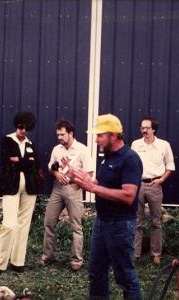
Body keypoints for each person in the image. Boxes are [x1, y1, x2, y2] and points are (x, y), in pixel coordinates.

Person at [64, 114, 143, 299]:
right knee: (97, 272)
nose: (96, 139)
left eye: (100, 135)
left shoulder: (130, 159)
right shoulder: (106, 157)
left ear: (112, 136)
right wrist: (75, 174)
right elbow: (97, 183)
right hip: (102, 223)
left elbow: (129, 196)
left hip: (120, 225)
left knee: (124, 275)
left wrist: (93, 187)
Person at [36, 118, 94, 271]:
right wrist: (55, 173)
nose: (59, 138)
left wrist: (77, 184)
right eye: (58, 135)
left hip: (73, 189)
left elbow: (89, 172)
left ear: (71, 134)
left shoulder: (82, 149)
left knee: (76, 225)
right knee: (49, 221)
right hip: (57, 188)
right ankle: (48, 256)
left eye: (62, 135)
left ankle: (76, 260)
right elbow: (50, 167)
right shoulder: (57, 149)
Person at [0, 111, 41, 278]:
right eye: (20, 127)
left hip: (29, 187)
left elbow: (35, 163)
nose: (23, 131)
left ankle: (17, 261)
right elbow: (5, 159)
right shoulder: (7, 140)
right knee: (9, 224)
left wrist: (19, 161)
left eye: (26, 128)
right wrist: (26, 162)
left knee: (24, 224)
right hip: (10, 186)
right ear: (16, 126)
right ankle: (0, 263)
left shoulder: (30, 143)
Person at [131, 117, 175, 265]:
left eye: (147, 128)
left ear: (154, 129)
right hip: (138, 185)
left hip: (155, 185)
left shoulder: (164, 145)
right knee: (137, 221)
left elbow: (170, 165)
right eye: (142, 128)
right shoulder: (136, 145)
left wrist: (161, 180)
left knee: (156, 221)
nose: (144, 130)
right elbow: (130, 163)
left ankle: (156, 253)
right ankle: (135, 253)